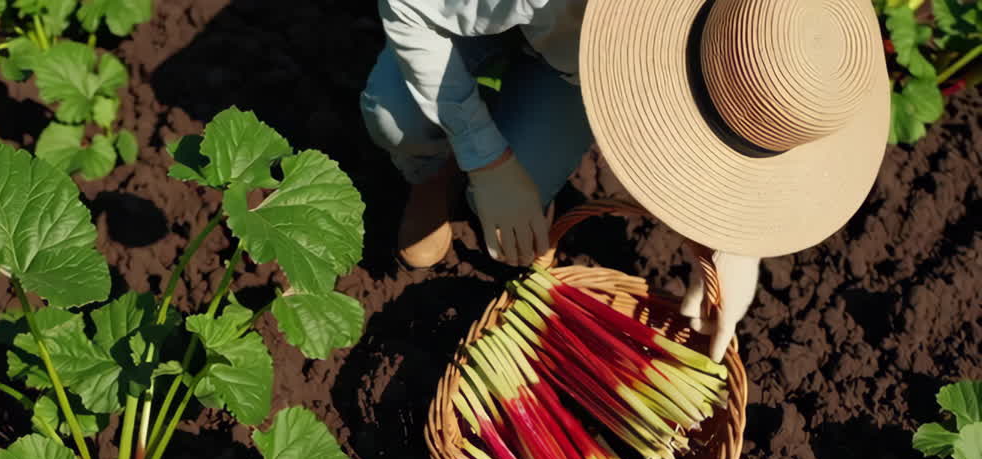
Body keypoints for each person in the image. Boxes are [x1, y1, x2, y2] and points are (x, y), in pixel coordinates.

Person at [361, 0, 889, 361]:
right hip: (467, 21)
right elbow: (411, 10)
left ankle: (472, 159)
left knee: (527, 185)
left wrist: (734, 241)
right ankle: (432, 170)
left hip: (568, 65)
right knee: (396, 117)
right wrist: (488, 161)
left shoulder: (769, 26)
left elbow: (725, 99)